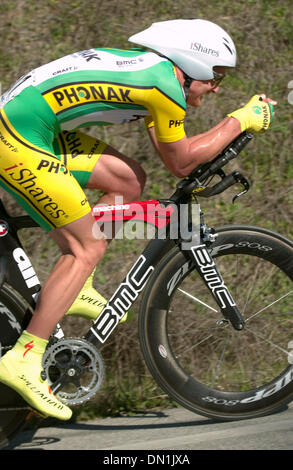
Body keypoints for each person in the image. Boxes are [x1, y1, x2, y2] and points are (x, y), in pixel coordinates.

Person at [0, 19, 276, 420]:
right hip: (16, 137)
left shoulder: (153, 71)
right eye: (216, 75)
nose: (217, 86)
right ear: (192, 62)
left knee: (128, 180)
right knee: (87, 246)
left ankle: (75, 288)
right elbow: (181, 162)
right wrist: (241, 120)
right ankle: (25, 357)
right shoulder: (162, 85)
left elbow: (173, 152)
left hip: (29, 126)